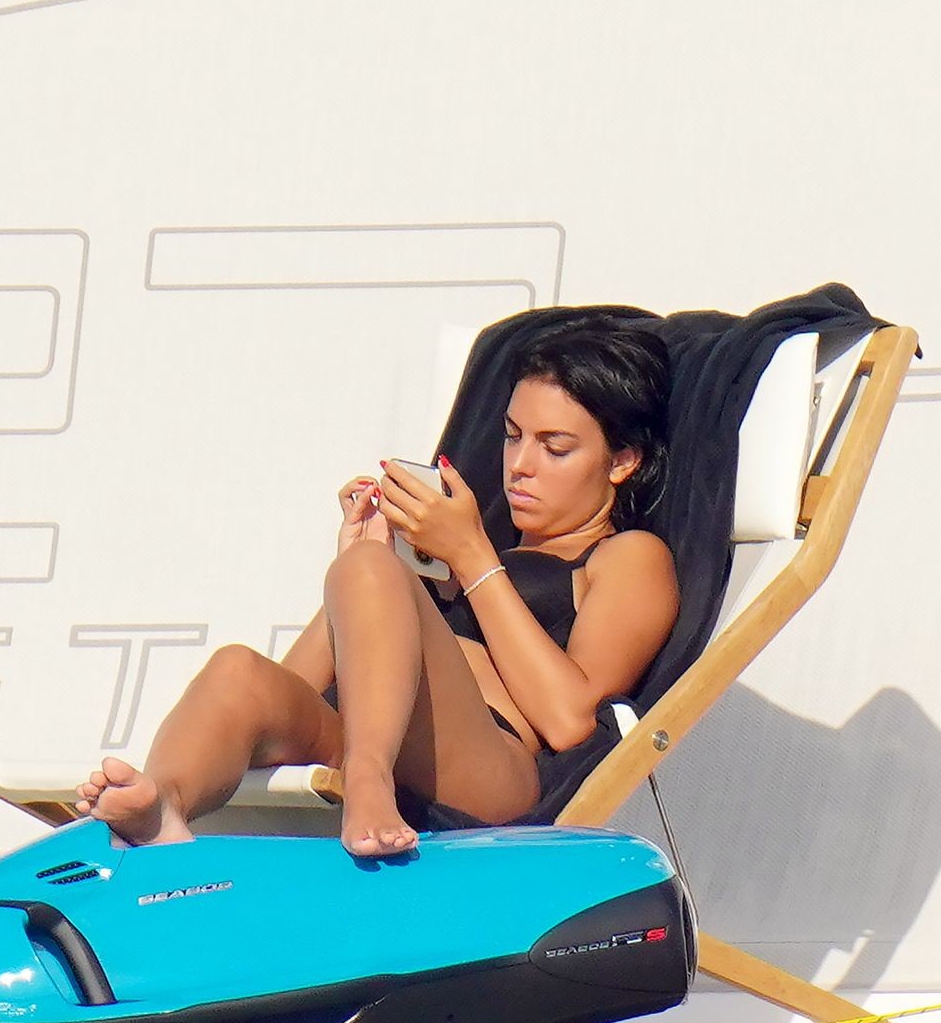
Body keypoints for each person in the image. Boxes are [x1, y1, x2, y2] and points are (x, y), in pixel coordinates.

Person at [77, 318, 679, 857]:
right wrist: (358, 571)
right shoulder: (463, 551)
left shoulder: (628, 556)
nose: (520, 464)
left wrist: (470, 558)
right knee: (238, 670)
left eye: (555, 447)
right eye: (512, 435)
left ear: (621, 461)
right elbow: (294, 692)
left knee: (374, 572)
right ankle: (164, 804)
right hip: (368, 734)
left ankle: (369, 778)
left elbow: (571, 722)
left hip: (490, 767)